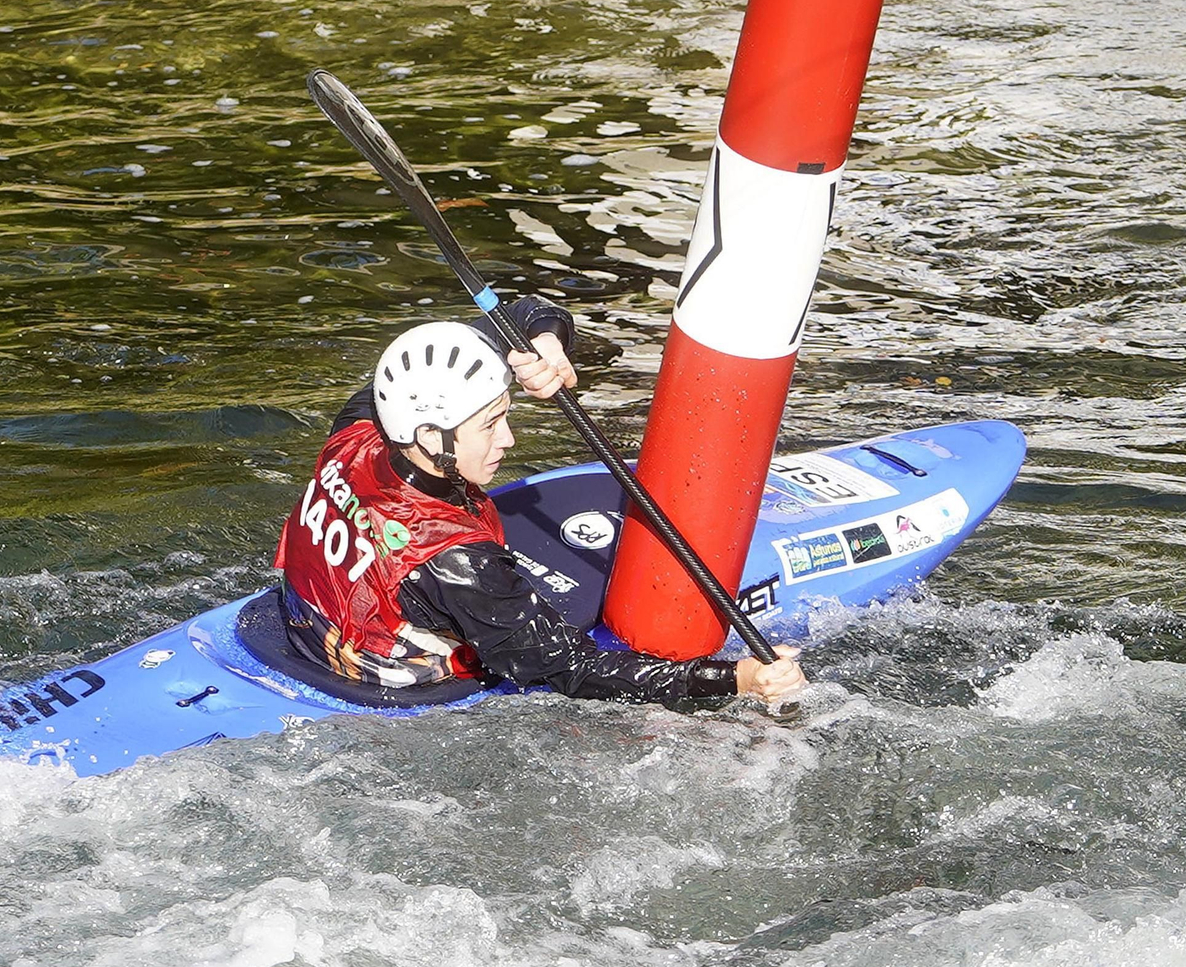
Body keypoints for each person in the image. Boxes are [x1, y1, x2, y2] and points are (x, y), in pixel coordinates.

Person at [272, 296, 806, 705]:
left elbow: (518, 313)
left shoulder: (359, 429)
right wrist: (735, 679)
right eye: (491, 424)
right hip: (391, 675)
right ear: (434, 437)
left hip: (305, 619)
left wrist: (543, 342)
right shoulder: (460, 563)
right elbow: (571, 668)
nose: (508, 439)